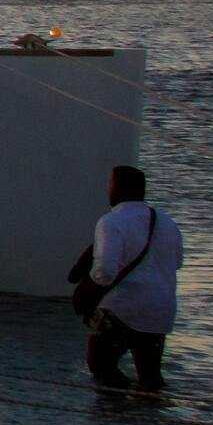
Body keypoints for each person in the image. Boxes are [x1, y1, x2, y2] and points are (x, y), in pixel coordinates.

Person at [76, 164, 180, 396]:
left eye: (110, 184)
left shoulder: (110, 222)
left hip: (121, 309)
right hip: (160, 310)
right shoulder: (166, 222)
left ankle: (117, 416)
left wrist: (85, 290)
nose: (108, 190)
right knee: (151, 377)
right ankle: (149, 420)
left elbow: (105, 272)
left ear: (119, 188)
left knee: (100, 365)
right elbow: (177, 262)